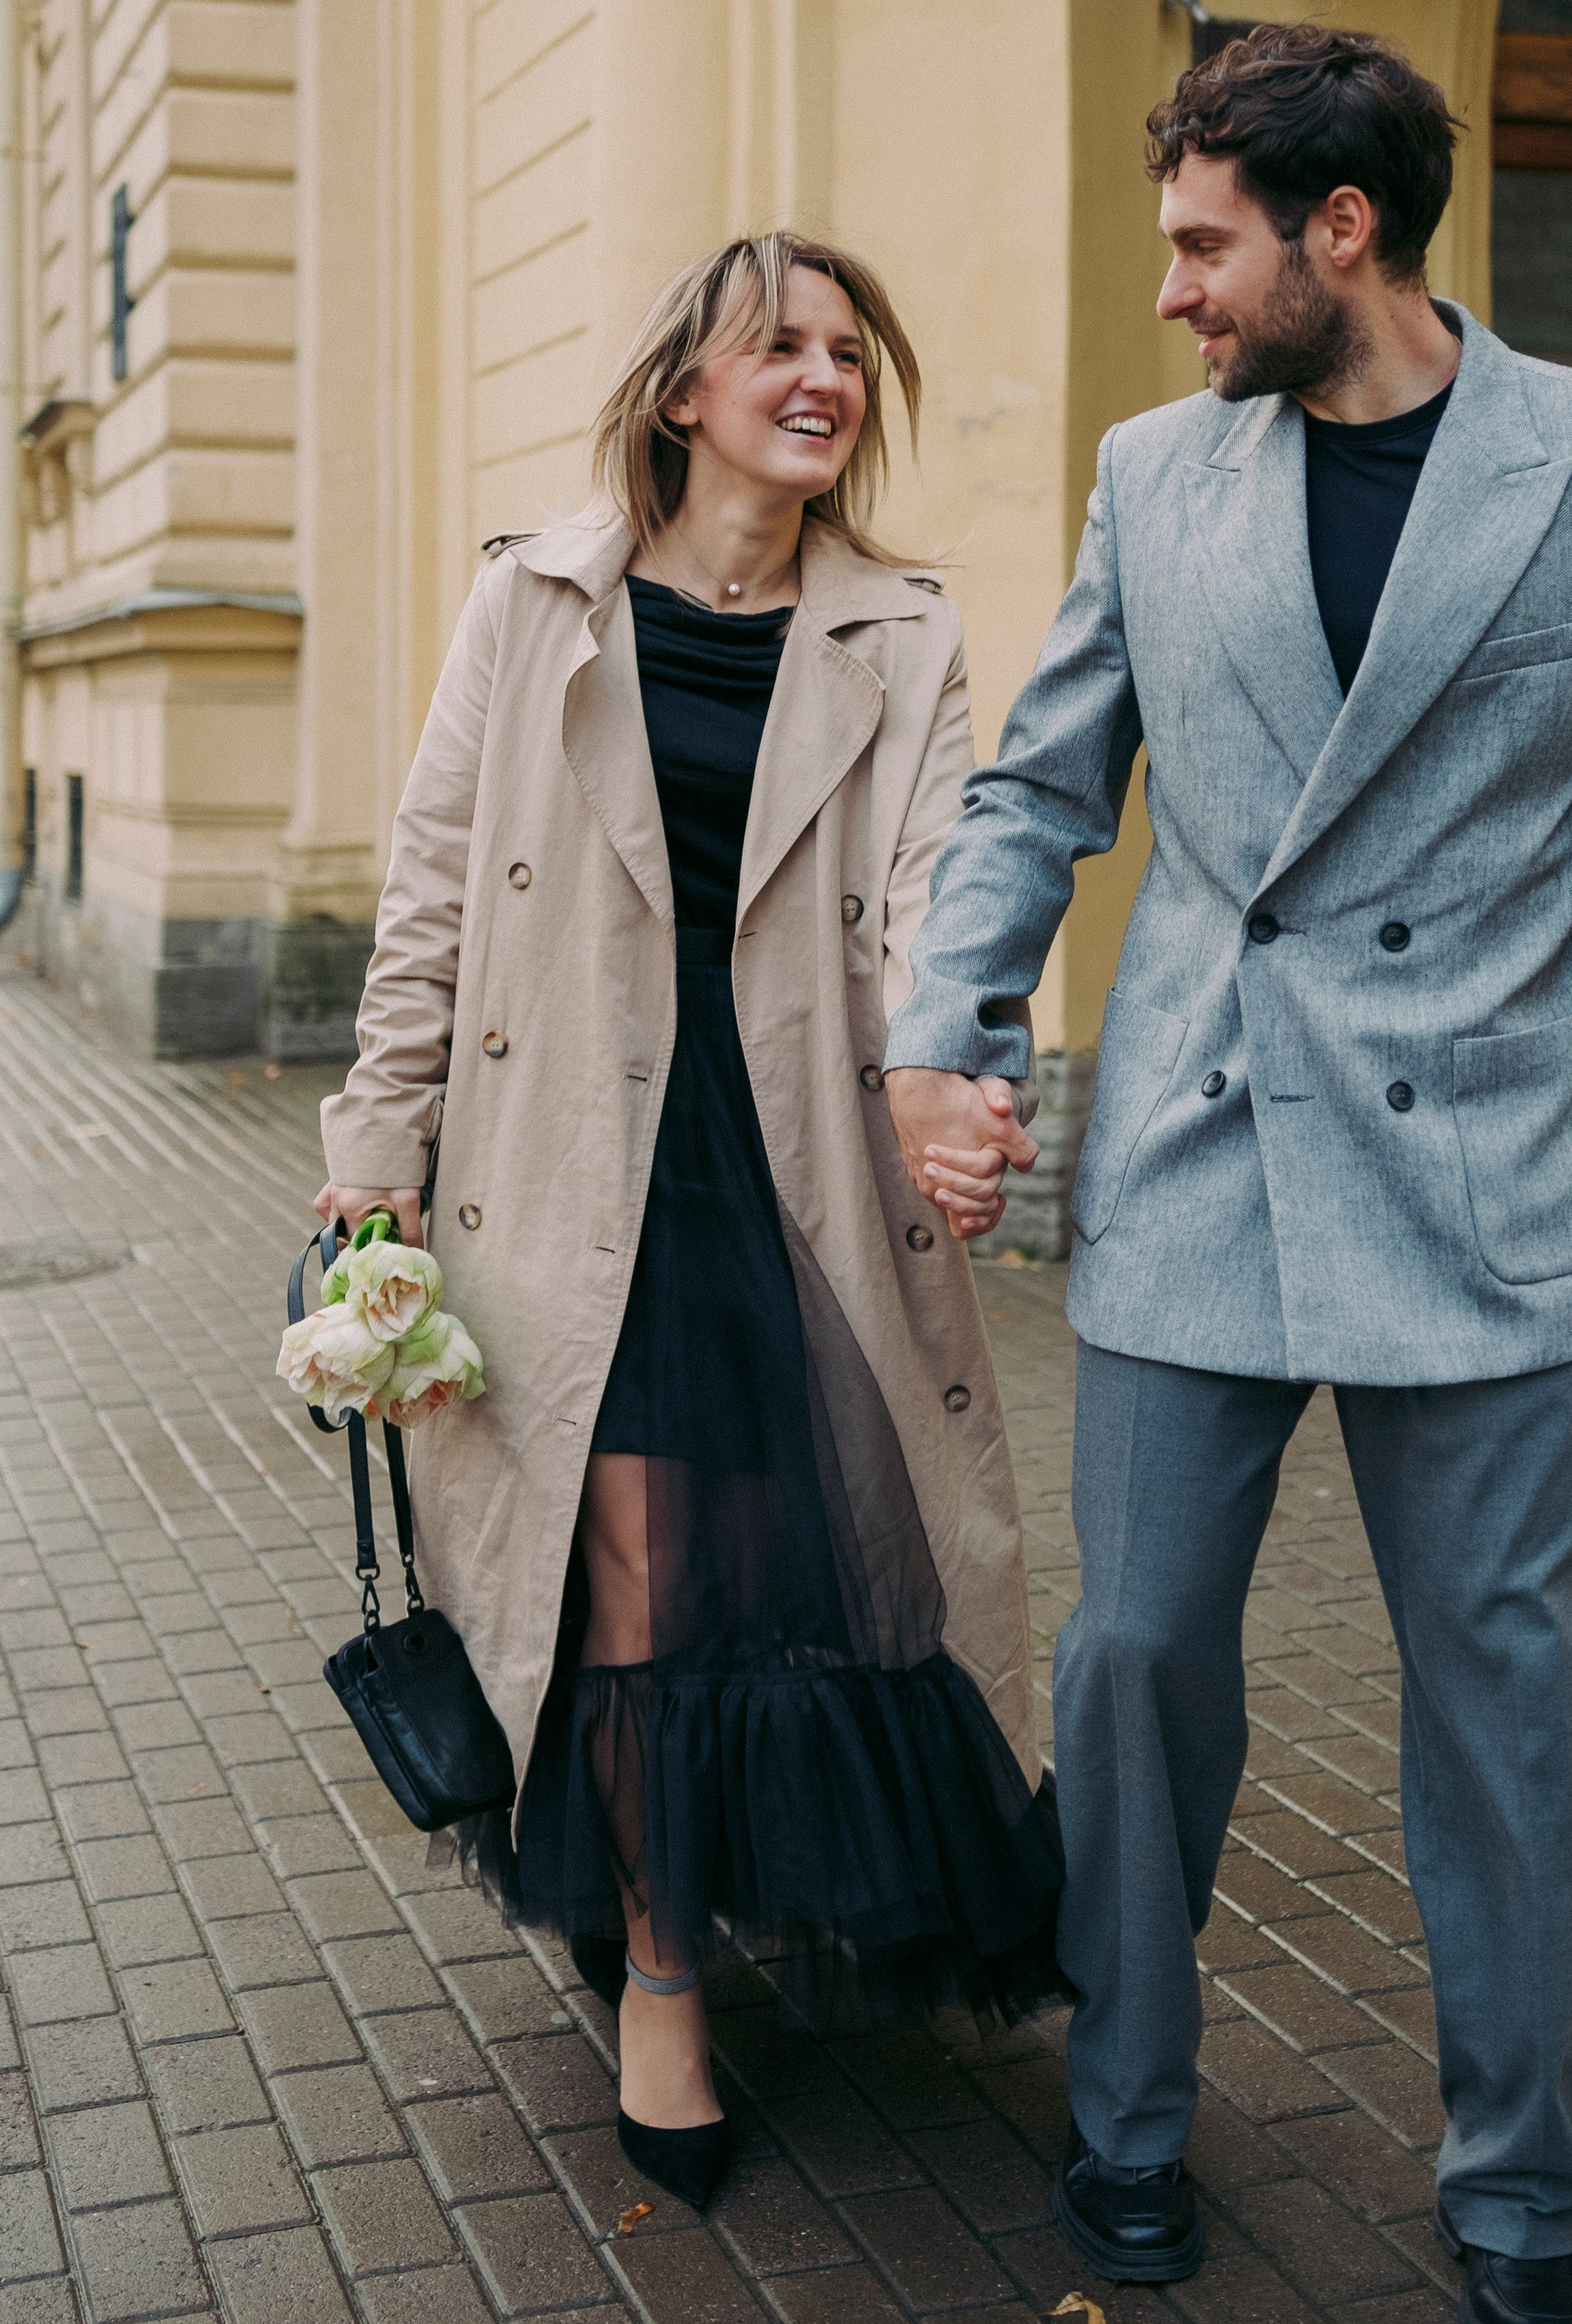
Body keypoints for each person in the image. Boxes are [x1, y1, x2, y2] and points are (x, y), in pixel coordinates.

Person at [884, 23, 1572, 2324]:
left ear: (1340, 232)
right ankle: (1128, 2108)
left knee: (1506, 1712)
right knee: (1133, 1662)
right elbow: (1037, 787)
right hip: (1201, 1137)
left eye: (1203, 244)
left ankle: (1518, 2197)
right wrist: (944, 1028)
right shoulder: (1152, 478)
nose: (1173, 294)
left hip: (1486, 1179)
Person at [314, 231, 1064, 2210]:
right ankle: (661, 1970)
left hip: (802, 1164)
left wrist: (955, 1075)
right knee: (638, 1575)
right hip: (577, 1164)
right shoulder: (535, 600)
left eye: (845, 351)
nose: (818, 377)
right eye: (776, 348)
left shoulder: (897, 631)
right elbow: (430, 892)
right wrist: (371, 1153)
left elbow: (937, 884)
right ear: (681, 394)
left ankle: (738, 1882)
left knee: (809, 1559)